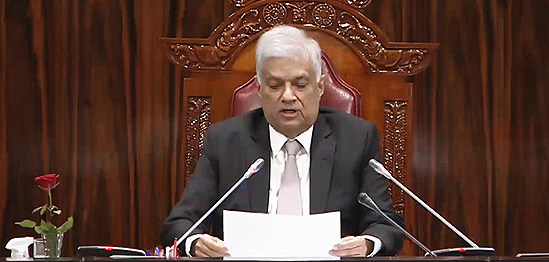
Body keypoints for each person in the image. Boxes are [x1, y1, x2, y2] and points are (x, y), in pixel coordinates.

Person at [160, 25, 405, 257]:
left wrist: (367, 243)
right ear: (259, 88)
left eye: (300, 85)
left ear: (319, 87)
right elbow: (180, 224)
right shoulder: (225, 141)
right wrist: (196, 243)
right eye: (275, 85)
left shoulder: (357, 139)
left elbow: (386, 224)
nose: (288, 96)